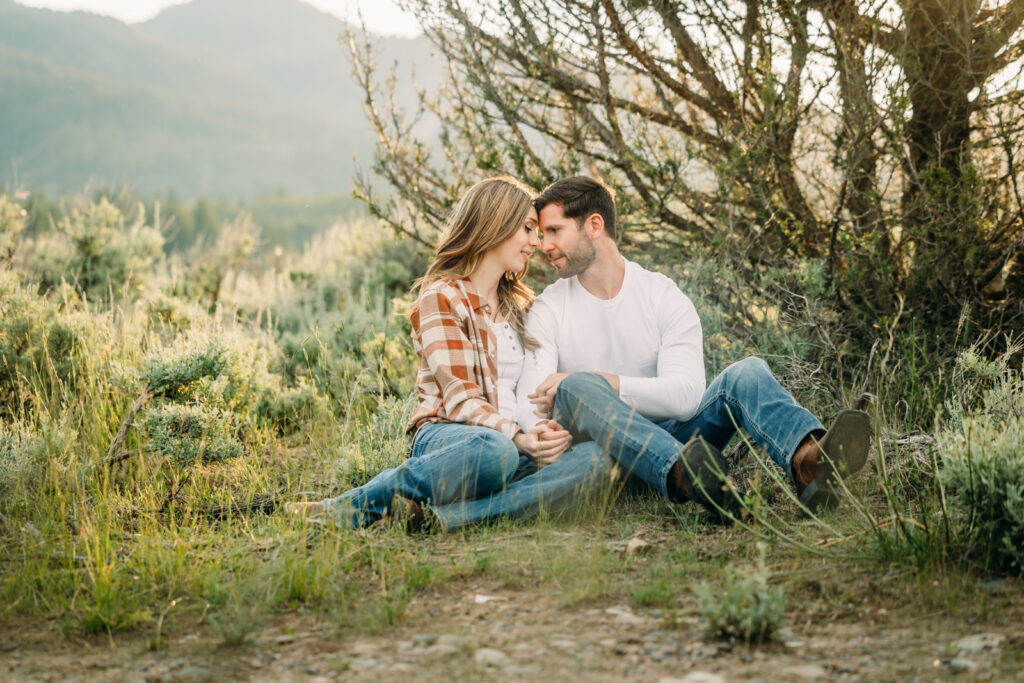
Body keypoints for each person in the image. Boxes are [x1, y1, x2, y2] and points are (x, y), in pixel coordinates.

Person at [509, 175, 872, 520]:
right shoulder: (549, 308)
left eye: (554, 231)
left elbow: (685, 398)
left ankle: (809, 461)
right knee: (577, 387)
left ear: (594, 225)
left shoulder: (662, 295)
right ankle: (683, 474)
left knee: (747, 372)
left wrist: (603, 382)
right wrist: (543, 428)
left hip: (685, 445)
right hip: (610, 456)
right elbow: (530, 403)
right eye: (542, 234)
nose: (544, 246)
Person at [284, 177, 611, 528]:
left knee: (594, 459)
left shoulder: (523, 306)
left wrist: (540, 432)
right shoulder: (442, 297)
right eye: (528, 228)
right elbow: (461, 400)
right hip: (452, 436)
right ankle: (346, 507)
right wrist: (517, 438)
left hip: (516, 442)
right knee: (495, 453)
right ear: (495, 224)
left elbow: (532, 386)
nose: (537, 241)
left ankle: (441, 517)